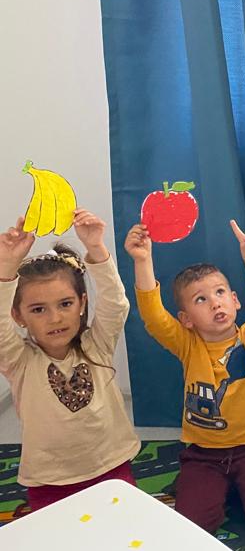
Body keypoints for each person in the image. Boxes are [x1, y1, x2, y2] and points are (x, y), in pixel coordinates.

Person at [125, 220, 245, 540]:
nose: (215, 302)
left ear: (235, 300)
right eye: (201, 299)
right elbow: (153, 316)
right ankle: (229, 489)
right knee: (194, 527)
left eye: (220, 293)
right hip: (205, 453)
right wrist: (143, 261)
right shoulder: (187, 344)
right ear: (186, 319)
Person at [0, 211, 139, 511]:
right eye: (38, 309)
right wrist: (7, 269)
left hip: (110, 468)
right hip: (49, 481)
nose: (55, 318)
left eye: (65, 304)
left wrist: (97, 249)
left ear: (81, 304)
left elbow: (116, 305)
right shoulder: (19, 361)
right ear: (18, 316)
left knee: (123, 538)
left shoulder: (96, 346)